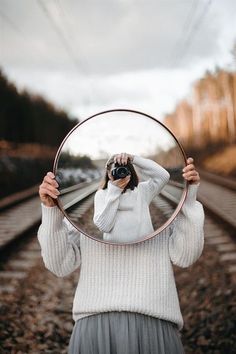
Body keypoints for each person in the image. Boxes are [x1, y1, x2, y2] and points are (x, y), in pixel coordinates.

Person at [38, 153, 204, 354]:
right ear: (108, 173)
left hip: (155, 320)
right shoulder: (101, 197)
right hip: (94, 323)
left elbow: (185, 256)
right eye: (113, 168)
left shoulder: (143, 192)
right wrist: (50, 211)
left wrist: (188, 197)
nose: (119, 171)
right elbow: (99, 230)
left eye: (123, 167)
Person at [93, 154, 170, 242]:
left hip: (145, 248)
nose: (121, 173)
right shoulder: (101, 194)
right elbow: (104, 227)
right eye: (117, 170)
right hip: (116, 251)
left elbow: (164, 176)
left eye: (124, 170)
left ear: (130, 172)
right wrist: (115, 190)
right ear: (109, 174)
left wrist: (133, 159)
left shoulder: (142, 191)